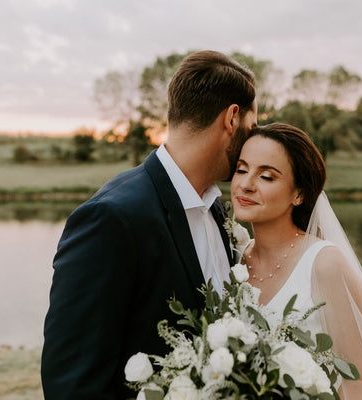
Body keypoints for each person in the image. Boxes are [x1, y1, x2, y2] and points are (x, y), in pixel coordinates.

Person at [41, 50, 258, 400]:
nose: (254, 139)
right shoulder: (111, 219)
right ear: (232, 119)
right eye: (253, 127)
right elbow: (71, 383)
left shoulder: (216, 208)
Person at [230, 123, 362, 399]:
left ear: (299, 194)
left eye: (267, 177)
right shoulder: (234, 257)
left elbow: (360, 383)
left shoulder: (324, 264)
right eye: (241, 169)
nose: (246, 185)